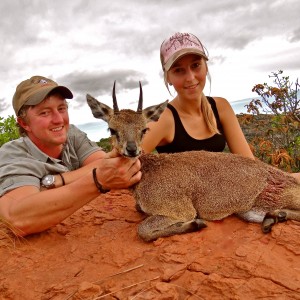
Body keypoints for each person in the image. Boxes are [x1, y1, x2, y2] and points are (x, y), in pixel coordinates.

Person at [141, 32, 300, 183]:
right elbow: (123, 166)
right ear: (168, 77)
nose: (190, 78)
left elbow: (249, 165)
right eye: (178, 70)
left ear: (206, 66)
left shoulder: (220, 107)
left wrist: (289, 179)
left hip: (221, 200)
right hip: (182, 206)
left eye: (196, 65)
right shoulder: (162, 119)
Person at [0, 75, 142, 237]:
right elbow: (17, 219)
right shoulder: (13, 155)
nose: (59, 120)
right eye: (44, 113)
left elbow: (105, 163)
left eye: (61, 108)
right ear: (24, 124)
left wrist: (55, 181)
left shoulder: (71, 133)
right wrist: (97, 181)